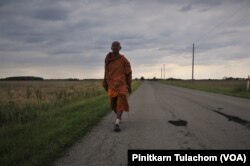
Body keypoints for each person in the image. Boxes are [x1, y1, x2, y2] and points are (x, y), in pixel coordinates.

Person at [102, 41, 132, 132]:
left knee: (120, 103)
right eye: (113, 46)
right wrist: (105, 81)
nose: (115, 47)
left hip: (121, 85)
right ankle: (118, 116)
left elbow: (128, 73)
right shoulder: (108, 58)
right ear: (111, 48)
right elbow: (106, 71)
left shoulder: (124, 59)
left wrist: (129, 85)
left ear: (120, 48)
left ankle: (117, 123)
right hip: (111, 84)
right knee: (113, 105)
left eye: (117, 46)